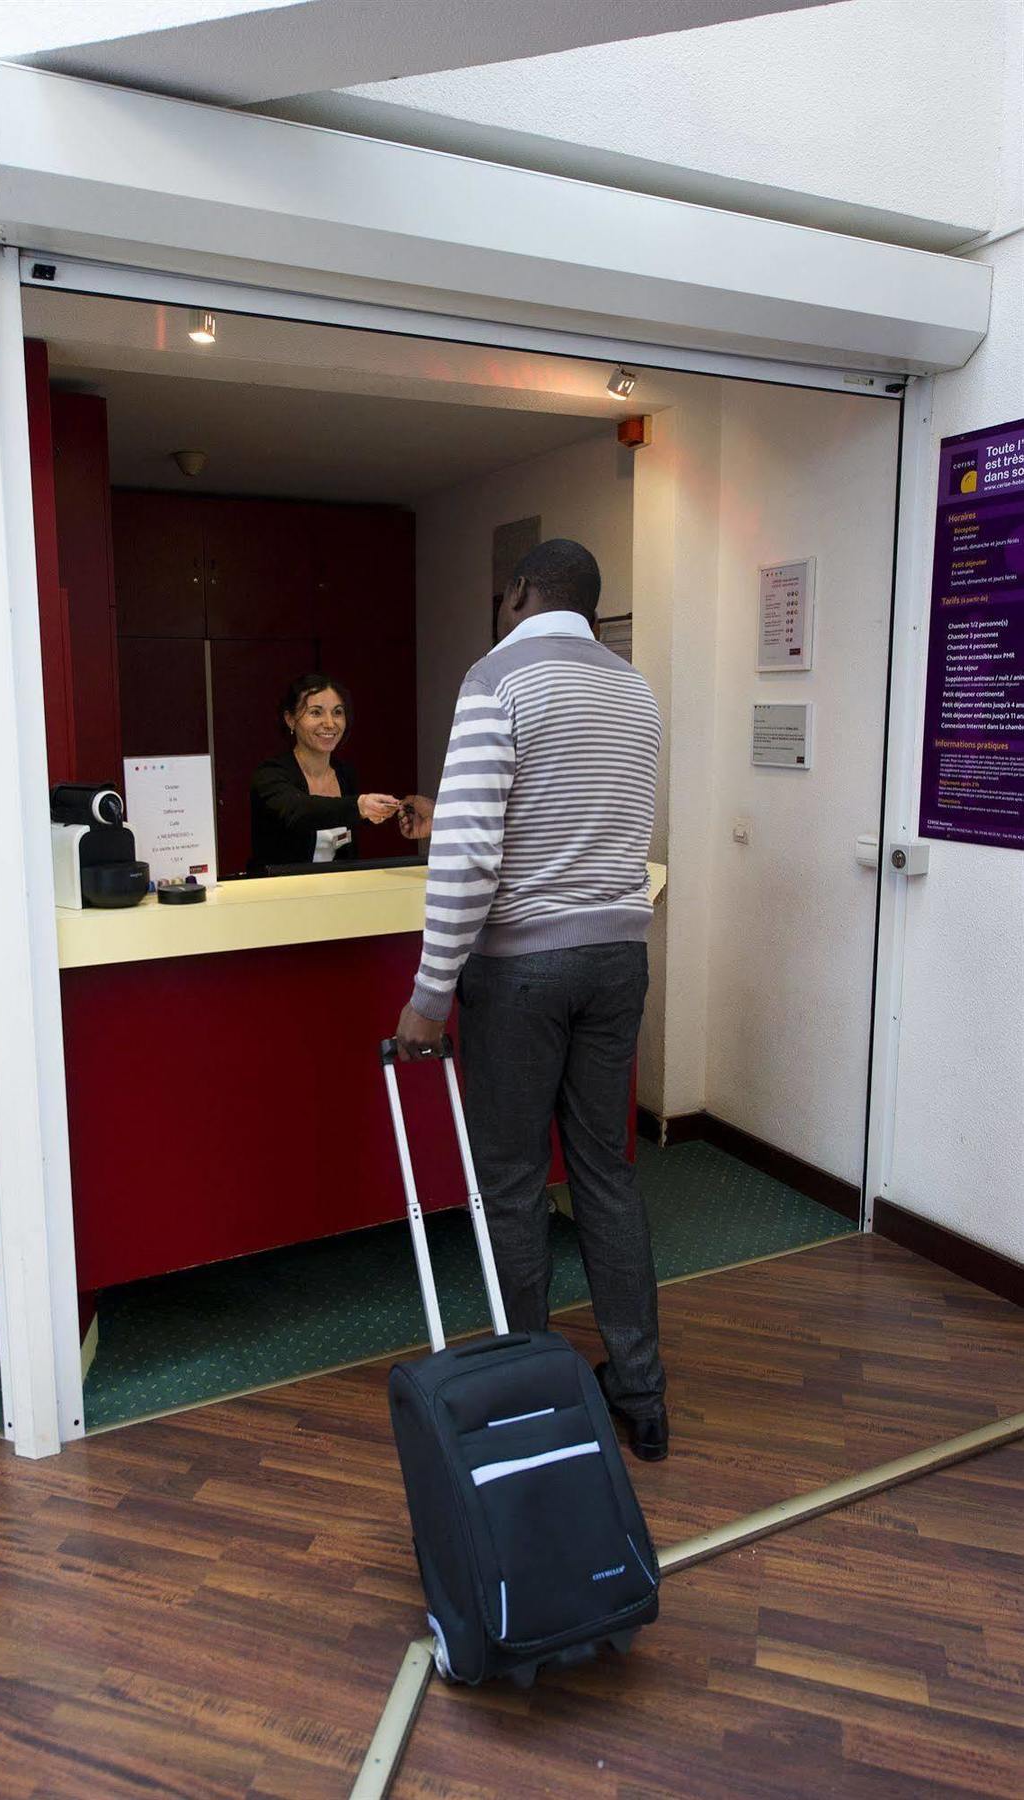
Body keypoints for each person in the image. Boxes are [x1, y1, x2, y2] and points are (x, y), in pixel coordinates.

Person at [394, 539, 668, 1461]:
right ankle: (640, 1393)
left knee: (512, 1188)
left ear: (517, 594)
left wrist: (430, 995)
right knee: (605, 1176)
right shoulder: (635, 689)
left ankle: (540, 1394)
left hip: (520, 972)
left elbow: (466, 852)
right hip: (619, 958)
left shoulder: (497, 679)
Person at [249, 673, 399, 871]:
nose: (329, 723)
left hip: (336, 894)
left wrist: (394, 811)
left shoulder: (345, 774)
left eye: (337, 712)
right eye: (316, 713)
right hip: (281, 894)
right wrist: (359, 807)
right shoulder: (269, 774)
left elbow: (345, 825)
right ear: (290, 720)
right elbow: (299, 812)